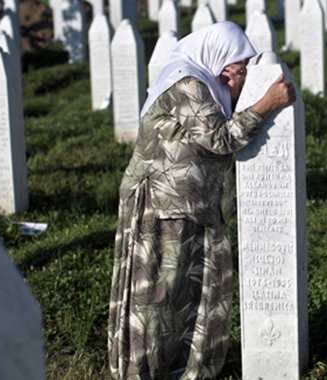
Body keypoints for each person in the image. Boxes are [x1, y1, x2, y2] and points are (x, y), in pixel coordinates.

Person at [107, 21, 296, 380]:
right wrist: (267, 103)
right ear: (216, 57)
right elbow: (220, 138)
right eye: (233, 68)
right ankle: (145, 370)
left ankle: (183, 366)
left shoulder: (205, 83)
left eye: (238, 71)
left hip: (192, 204)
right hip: (162, 205)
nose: (233, 78)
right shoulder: (188, 83)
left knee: (188, 293)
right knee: (158, 295)